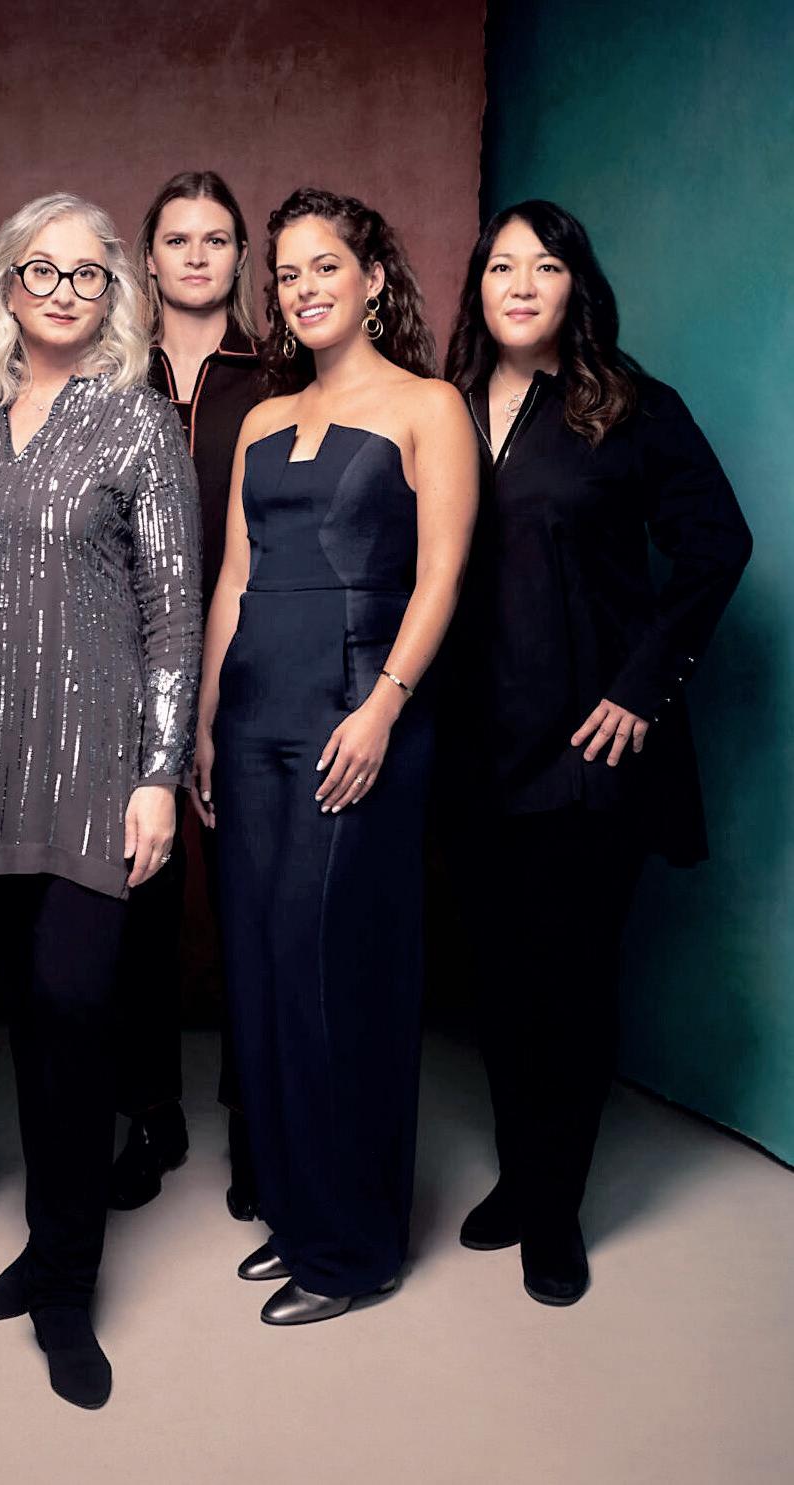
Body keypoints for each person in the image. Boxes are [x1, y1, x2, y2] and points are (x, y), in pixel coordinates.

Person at [0, 193, 201, 1407]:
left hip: (93, 771)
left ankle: (69, 1288)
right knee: (25, 1014)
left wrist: (157, 774)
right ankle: (44, 1251)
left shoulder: (137, 421)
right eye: (41, 269)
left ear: (111, 292)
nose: (63, 290)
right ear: (6, 285)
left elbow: (172, 612)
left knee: (74, 1004)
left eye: (87, 273)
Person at [439, 200, 752, 1305]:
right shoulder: (442, 406)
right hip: (472, 750)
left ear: (577, 285)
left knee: (567, 984)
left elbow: (718, 542)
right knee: (497, 980)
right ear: (477, 286)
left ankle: (553, 1208)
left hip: (583, 749)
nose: (521, 284)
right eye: (501, 266)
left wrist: (640, 686)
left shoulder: (630, 405)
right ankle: (521, 1175)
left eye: (545, 265)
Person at [193, 188, 477, 1325]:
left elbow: (443, 572)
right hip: (253, 714)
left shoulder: (428, 406)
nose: (303, 288)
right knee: (261, 974)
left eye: (325, 267)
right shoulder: (263, 419)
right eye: (288, 274)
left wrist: (383, 708)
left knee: (334, 975)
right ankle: (298, 1211)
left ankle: (354, 1249)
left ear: (373, 280)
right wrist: (206, 722)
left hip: (356, 715)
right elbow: (233, 579)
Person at [109, 171, 264, 1218]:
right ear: (149, 256)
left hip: (256, 664)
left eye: (215, 239)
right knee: (136, 903)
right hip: (126, 666)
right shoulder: (109, 371)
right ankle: (149, 1113)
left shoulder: (280, 370)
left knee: (254, 899)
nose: (197, 255)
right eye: (178, 238)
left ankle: (257, 1114)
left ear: (239, 257)